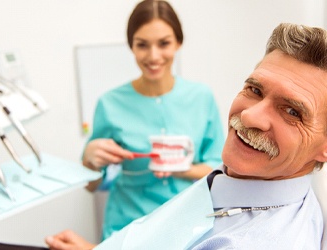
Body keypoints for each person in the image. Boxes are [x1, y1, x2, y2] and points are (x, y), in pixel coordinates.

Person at [46, 22, 327, 249]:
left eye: (291, 111)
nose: (249, 116)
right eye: (254, 90)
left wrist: (182, 169)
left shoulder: (254, 235)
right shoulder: (238, 176)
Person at [81, 0, 224, 242]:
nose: (153, 56)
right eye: (142, 45)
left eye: (164, 43)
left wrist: (183, 168)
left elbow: (220, 171)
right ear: (131, 46)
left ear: (178, 42)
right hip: (127, 229)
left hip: (188, 226)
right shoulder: (110, 103)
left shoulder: (201, 97)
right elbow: (91, 186)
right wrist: (89, 161)